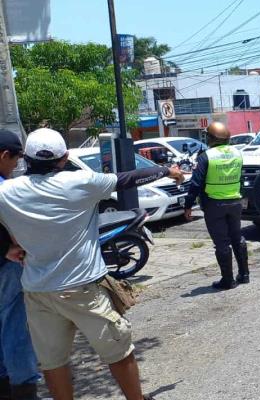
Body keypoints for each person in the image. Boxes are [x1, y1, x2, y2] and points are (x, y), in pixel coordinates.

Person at [0, 128, 184, 400]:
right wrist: (168, 171)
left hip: (38, 293)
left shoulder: (7, 192)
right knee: (118, 351)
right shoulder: (81, 183)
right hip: (83, 290)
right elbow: (129, 178)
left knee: (53, 362)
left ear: (26, 158)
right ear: (64, 158)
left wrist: (6, 249)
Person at [183, 122, 248, 290]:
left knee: (222, 243)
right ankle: (244, 274)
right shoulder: (237, 153)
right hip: (235, 202)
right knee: (237, 237)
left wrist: (188, 205)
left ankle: (228, 280)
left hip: (214, 204)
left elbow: (195, 184)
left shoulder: (206, 156)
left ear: (210, 138)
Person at [0, 129, 41, 400]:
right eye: (15, 159)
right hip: (6, 267)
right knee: (15, 323)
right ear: (4, 155)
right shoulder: (3, 187)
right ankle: (24, 387)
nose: (17, 165)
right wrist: (6, 249)